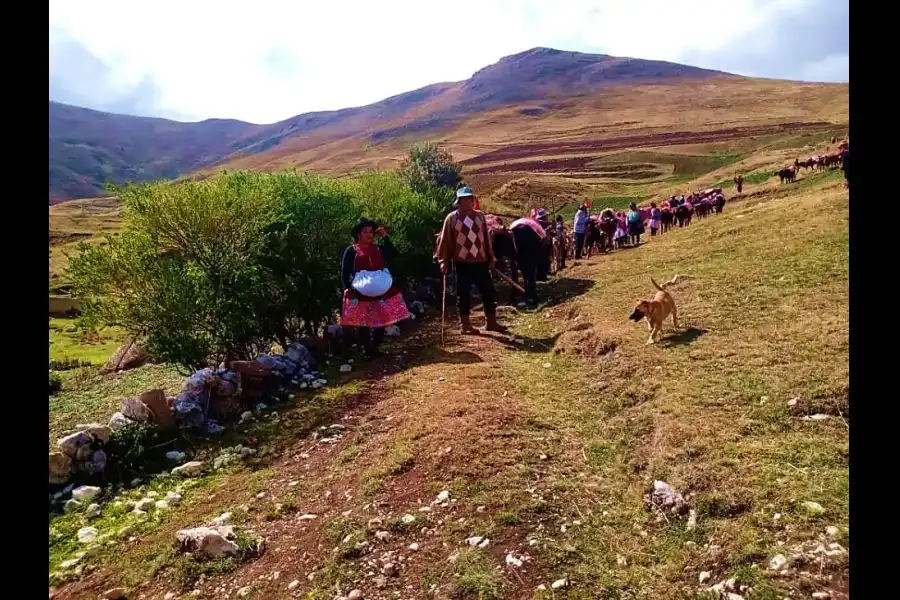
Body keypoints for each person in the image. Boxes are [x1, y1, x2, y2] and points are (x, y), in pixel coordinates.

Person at [435, 186, 508, 334]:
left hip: (481, 262)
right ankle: (465, 325)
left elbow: (486, 238)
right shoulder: (452, 219)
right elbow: (445, 241)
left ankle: (491, 322)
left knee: (488, 291)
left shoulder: (480, 216)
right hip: (462, 263)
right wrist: (443, 261)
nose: (468, 202)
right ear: (459, 201)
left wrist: (490, 256)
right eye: (464, 199)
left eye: (470, 199)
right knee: (463, 294)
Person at [340, 219, 411, 359]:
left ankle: (375, 347)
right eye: (365, 231)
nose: (369, 234)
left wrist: (385, 236)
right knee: (363, 322)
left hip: (381, 290)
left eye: (371, 231)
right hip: (361, 291)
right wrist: (346, 288)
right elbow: (345, 270)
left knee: (382, 319)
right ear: (358, 234)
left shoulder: (379, 248)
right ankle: (367, 350)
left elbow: (394, 254)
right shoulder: (352, 250)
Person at [509, 216, 546, 306]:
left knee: (528, 275)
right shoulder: (534, 229)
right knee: (530, 275)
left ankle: (530, 297)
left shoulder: (517, 229)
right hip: (530, 252)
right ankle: (530, 295)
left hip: (526, 252)